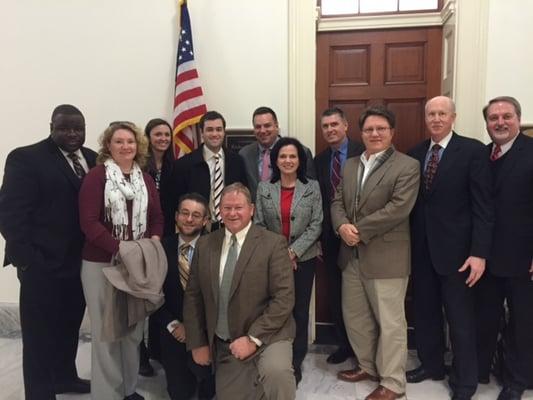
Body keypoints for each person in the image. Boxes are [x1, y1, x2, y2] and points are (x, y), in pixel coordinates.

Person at [0, 104, 95, 399]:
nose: (72, 134)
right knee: (39, 337)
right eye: (64, 127)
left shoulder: (92, 158)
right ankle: (40, 393)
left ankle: (64, 377)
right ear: (51, 126)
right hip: (41, 265)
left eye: (78, 128)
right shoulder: (26, 158)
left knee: (69, 327)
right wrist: (27, 260)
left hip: (79, 264)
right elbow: (10, 213)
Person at [407, 96, 494, 400]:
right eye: (431, 113)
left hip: (460, 255)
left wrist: (479, 252)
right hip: (422, 251)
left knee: (460, 319)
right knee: (425, 313)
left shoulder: (471, 151)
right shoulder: (415, 153)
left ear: (453, 117)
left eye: (442, 113)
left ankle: (465, 380)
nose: (436, 118)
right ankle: (431, 365)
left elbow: (484, 206)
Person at [331, 106, 419, 400]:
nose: (375, 134)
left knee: (391, 323)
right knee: (356, 317)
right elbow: (336, 202)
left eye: (381, 128)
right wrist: (342, 226)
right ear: (361, 133)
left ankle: (393, 382)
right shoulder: (351, 164)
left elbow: (398, 209)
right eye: (369, 129)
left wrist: (358, 230)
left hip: (386, 257)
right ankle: (367, 366)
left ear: (392, 132)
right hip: (351, 256)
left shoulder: (407, 166)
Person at [184, 183, 296, 400]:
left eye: (239, 207)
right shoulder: (205, 245)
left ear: (252, 209)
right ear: (219, 211)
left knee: (277, 373)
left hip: (269, 335)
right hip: (228, 343)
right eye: (227, 208)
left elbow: (284, 298)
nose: (232, 213)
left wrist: (253, 339)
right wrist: (197, 342)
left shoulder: (273, 244)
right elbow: (193, 296)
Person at [79, 121, 164, 400]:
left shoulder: (146, 179)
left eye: (130, 141)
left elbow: (156, 217)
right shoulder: (96, 177)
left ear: (138, 145)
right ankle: (107, 394)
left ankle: (128, 389)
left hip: (137, 263)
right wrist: (120, 248)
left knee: (132, 330)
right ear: (108, 146)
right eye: (118, 141)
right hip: (101, 264)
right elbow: (89, 223)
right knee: (107, 333)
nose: (125, 146)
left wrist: (151, 242)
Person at [475, 96, 533, 400]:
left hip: (523, 258)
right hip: (484, 256)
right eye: (493, 118)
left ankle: (517, 380)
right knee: (484, 315)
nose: (499, 123)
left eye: (506, 117)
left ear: (518, 119)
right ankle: (481, 368)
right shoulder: (481, 155)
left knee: (523, 322)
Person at [254, 137, 323, 384]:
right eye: (282, 156)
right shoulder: (264, 188)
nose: (288, 160)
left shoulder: (312, 187)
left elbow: (316, 224)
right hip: (271, 259)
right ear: (275, 160)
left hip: (304, 259)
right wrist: (280, 255)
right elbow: (259, 224)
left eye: (293, 156)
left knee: (299, 310)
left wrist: (293, 253)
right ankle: (273, 356)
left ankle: (296, 360)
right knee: (273, 307)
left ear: (300, 160)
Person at [152, 192, 215, 400]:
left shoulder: (216, 249)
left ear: (206, 221)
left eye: (196, 215)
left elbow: (219, 297)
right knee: (180, 393)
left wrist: (196, 328)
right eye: (185, 213)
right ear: (176, 216)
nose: (189, 219)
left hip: (207, 332)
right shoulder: (161, 248)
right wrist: (172, 324)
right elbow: (153, 294)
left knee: (209, 392)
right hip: (173, 332)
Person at [314, 107, 364, 364]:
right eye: (325, 126)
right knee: (337, 294)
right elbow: (319, 203)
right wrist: (320, 238)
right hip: (332, 239)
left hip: (364, 237)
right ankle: (345, 344)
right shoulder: (319, 161)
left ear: (346, 125)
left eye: (335, 124)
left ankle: (366, 349)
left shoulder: (364, 152)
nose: (330, 130)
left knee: (364, 295)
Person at [170, 111, 248, 232]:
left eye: (218, 129)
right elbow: (176, 202)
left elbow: (244, 194)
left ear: (224, 132)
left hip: (230, 227)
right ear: (202, 133)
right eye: (210, 130)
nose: (215, 134)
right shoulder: (184, 165)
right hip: (198, 230)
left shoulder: (237, 161)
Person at [140, 117, 175, 375]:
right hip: (142, 237)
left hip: (167, 236)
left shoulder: (174, 165)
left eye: (166, 135)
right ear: (148, 137)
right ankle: (140, 355)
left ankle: (159, 350)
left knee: (163, 293)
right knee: (143, 295)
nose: (163, 139)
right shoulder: (140, 165)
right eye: (158, 134)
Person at [239, 106, 315, 200]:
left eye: (267, 125)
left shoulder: (301, 152)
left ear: (276, 126)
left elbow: (310, 189)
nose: (262, 130)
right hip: (256, 213)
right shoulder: (244, 154)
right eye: (258, 127)